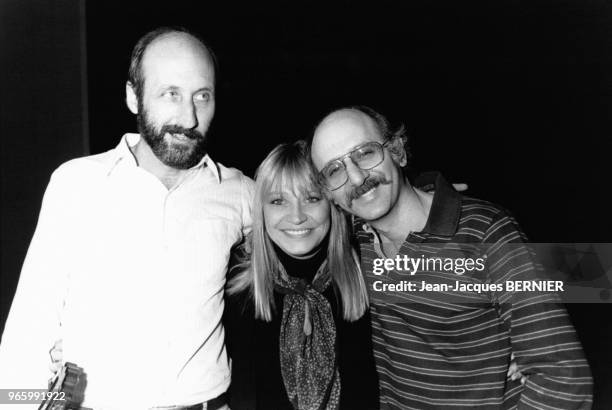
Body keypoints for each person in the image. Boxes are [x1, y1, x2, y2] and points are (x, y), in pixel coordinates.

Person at [0, 27, 252, 409]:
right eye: (171, 94)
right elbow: (27, 333)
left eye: (202, 96)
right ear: (134, 97)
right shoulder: (76, 183)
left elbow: (316, 229)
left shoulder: (239, 191)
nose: (189, 117)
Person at [310, 106, 593, 409]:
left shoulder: (486, 231)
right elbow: (289, 217)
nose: (355, 178)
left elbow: (564, 379)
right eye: (334, 170)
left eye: (365, 153)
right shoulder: (359, 236)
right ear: (331, 196)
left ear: (398, 152)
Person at [223, 140, 379, 409]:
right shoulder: (234, 284)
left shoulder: (367, 269)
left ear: (333, 204)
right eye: (278, 201)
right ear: (261, 210)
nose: (296, 217)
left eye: (312, 198)